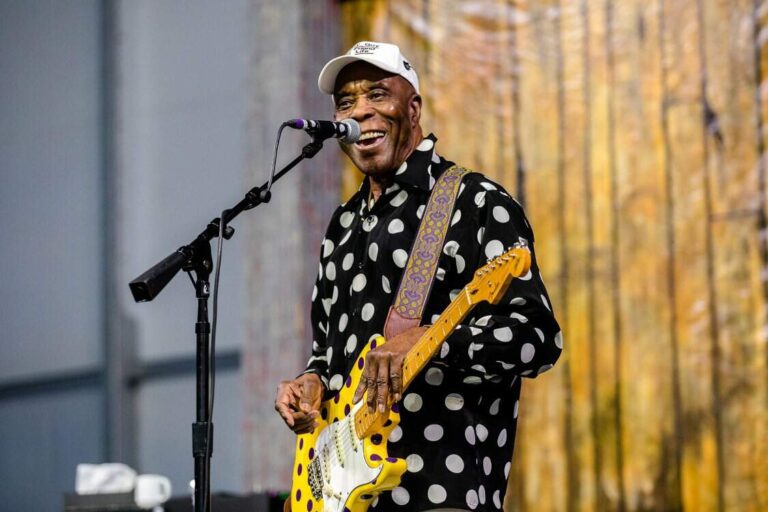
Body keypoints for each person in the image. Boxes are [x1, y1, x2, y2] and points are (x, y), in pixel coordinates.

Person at [274, 41, 562, 512]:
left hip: (438, 491)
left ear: (413, 108)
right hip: (342, 495)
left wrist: (435, 340)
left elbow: (539, 337)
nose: (361, 111)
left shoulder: (474, 202)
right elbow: (326, 352)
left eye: (378, 95)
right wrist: (311, 382)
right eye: (346, 103)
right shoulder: (342, 224)